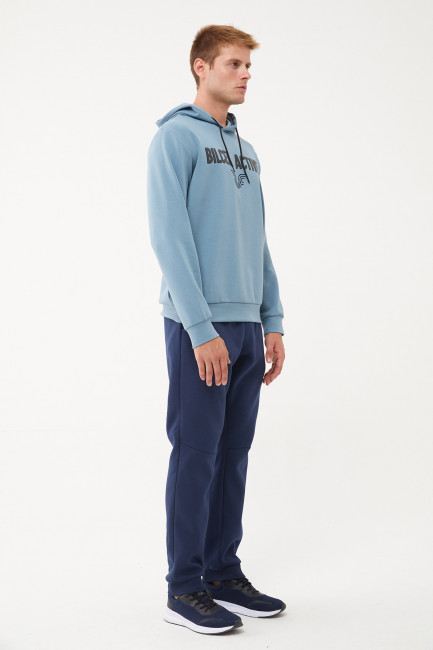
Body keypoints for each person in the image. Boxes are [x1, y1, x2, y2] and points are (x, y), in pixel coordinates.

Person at [147, 24, 286, 635]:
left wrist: (272, 320)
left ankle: (223, 574)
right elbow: (169, 238)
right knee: (197, 453)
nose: (245, 73)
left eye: (248, 65)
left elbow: (258, 241)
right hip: (198, 325)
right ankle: (184, 587)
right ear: (201, 67)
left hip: (248, 324)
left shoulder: (247, 151)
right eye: (234, 63)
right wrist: (201, 328)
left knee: (233, 454)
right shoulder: (175, 139)